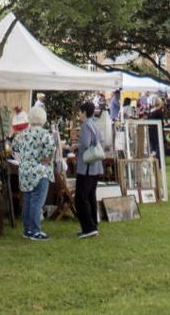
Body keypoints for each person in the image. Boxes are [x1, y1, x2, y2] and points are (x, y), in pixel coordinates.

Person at [13, 106, 58, 241]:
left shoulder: (22, 134)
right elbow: (50, 150)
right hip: (40, 172)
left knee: (27, 201)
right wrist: (46, 159)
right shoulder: (45, 134)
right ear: (43, 118)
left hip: (25, 172)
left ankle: (27, 229)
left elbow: (15, 149)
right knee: (37, 202)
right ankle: (35, 231)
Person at [73, 101, 106, 240]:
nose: (79, 115)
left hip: (86, 167)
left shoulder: (86, 125)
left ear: (84, 112)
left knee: (81, 198)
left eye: (80, 112)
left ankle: (88, 227)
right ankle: (93, 225)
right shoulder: (95, 124)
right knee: (91, 196)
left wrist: (76, 145)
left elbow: (85, 144)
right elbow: (101, 140)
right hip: (96, 166)